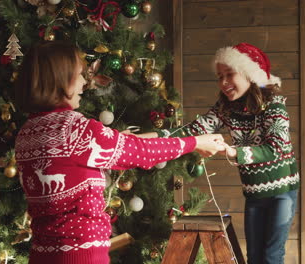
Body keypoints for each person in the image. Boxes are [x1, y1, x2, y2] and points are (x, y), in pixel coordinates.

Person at [12, 40, 225, 264]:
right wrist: (194, 143)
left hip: (43, 255)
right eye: (79, 75)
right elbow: (137, 152)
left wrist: (166, 136)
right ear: (59, 79)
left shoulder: (29, 131)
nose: (85, 82)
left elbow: (119, 143)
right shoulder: (73, 129)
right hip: (80, 256)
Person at [139, 43, 299, 264]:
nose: (223, 83)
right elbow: (192, 130)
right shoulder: (226, 108)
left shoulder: (274, 107)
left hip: (282, 192)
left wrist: (234, 152)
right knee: (254, 257)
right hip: (254, 193)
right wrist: (154, 137)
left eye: (229, 74)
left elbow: (276, 148)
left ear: (250, 74)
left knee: (271, 255)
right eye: (219, 76)